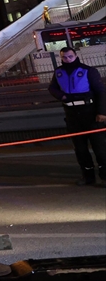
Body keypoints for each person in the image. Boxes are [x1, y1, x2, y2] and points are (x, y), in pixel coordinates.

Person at [47, 46, 106, 186]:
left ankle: (105, 177)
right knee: (80, 149)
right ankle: (88, 177)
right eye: (64, 57)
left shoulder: (88, 71)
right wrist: (61, 96)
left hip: (90, 113)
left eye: (70, 56)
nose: (67, 59)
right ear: (61, 58)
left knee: (100, 147)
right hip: (72, 115)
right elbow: (52, 88)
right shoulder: (58, 72)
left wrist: (102, 112)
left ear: (75, 55)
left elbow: (101, 92)